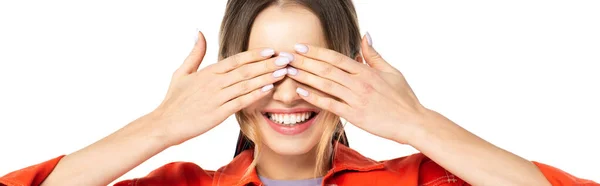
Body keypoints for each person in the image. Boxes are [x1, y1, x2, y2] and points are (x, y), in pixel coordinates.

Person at [1, 1, 598, 186]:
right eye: (264, 68)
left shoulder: (422, 179)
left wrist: (418, 123)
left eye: (311, 68)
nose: (287, 92)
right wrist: (159, 127)